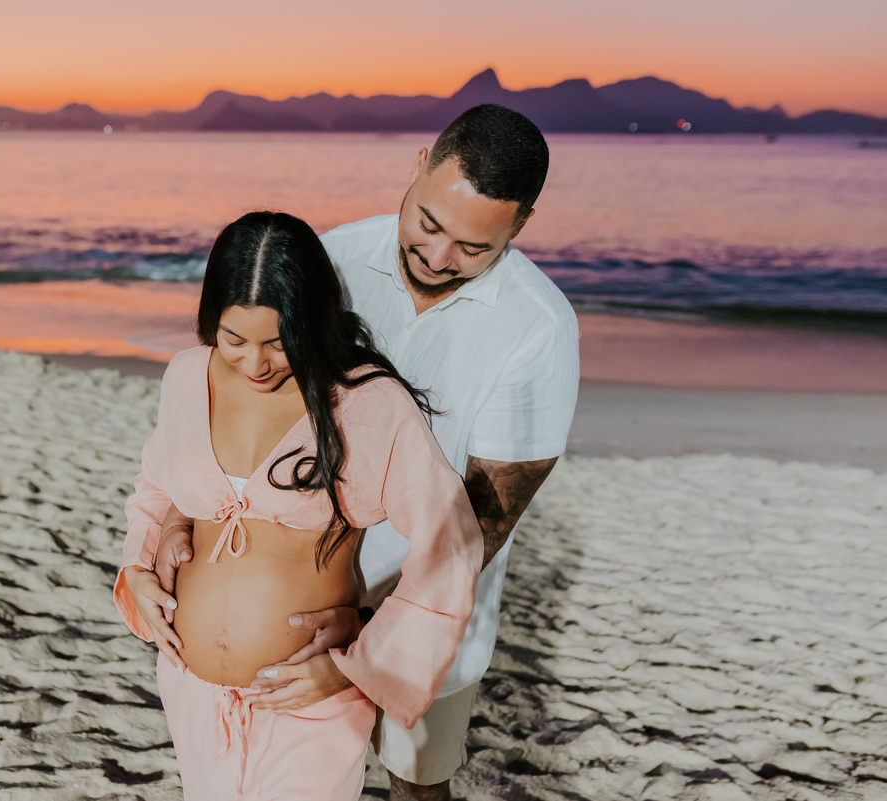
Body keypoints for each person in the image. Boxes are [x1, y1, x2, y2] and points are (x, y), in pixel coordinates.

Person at [152, 105, 580, 800]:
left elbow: (489, 513)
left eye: (474, 248)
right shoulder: (332, 262)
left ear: (520, 225)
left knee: (417, 779)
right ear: (417, 168)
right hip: (303, 596)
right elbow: (239, 399)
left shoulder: (538, 327)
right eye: (429, 223)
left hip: (424, 609)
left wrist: (370, 635)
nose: (438, 257)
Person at [113, 211, 484, 801]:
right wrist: (136, 568)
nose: (255, 364)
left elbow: (451, 546)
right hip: (190, 687)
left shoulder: (363, 402)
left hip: (309, 697)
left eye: (278, 343)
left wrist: (356, 660)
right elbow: (157, 485)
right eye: (233, 340)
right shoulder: (187, 376)